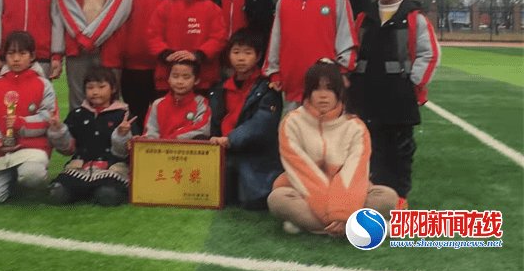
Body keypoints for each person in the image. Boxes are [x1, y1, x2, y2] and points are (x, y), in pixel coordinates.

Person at [348, 0, 441, 209]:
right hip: (365, 94)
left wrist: (413, 84)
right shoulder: (364, 17)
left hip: (399, 97)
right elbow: (352, 50)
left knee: (399, 151)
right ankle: (370, 195)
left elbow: (429, 53)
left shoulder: (414, 18)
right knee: (368, 147)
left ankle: (399, 197)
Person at [267, 60, 397, 236]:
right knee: (277, 199)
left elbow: (355, 171)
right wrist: (335, 214)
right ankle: (356, 226)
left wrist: (343, 211)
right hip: (305, 191)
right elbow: (303, 172)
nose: (322, 95)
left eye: (329, 88)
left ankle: (312, 225)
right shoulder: (291, 122)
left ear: (340, 92)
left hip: (348, 193)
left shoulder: (355, 126)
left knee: (387, 197)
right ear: (308, 91)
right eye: (316, 88)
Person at [263, 0, 358, 111]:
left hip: (326, 86)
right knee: (295, 135)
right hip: (292, 84)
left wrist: (343, 71)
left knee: (328, 136)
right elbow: (276, 38)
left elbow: (347, 36)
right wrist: (274, 72)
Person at [0, 31, 56, 203]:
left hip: (31, 149)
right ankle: (9, 179)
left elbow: (48, 117)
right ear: (5, 56)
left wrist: (22, 124)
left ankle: (25, 180)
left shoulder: (43, 84)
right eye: (11, 54)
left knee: (31, 176)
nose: (16, 59)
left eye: (22, 53)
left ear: (32, 56)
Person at [209, 29, 283, 210]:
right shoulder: (219, 88)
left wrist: (230, 139)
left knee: (252, 201)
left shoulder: (268, 88)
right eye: (236, 52)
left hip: (253, 153)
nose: (241, 58)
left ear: (258, 57)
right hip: (221, 149)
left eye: (247, 53)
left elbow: (262, 124)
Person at [48, 65, 135, 206]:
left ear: (113, 88)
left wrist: (122, 134)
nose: (95, 92)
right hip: (80, 166)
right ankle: (84, 189)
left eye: (101, 87)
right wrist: (58, 130)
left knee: (107, 195)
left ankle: (91, 191)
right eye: (90, 88)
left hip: (110, 167)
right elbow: (67, 149)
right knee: (58, 194)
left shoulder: (123, 115)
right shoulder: (77, 114)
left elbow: (123, 153)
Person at [148, 0, 227, 93]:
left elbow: (219, 37)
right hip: (169, 77)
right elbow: (153, 35)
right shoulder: (165, 6)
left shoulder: (212, 8)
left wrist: (198, 55)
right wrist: (166, 54)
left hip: (203, 77)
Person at [119, 0, 175, 128]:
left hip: (161, 65)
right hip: (131, 66)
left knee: (161, 119)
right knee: (135, 118)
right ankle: (132, 158)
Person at [138, 60, 212, 140]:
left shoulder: (201, 102)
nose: (180, 82)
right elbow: (150, 132)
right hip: (160, 150)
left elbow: (202, 129)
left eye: (186, 77)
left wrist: (171, 139)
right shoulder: (157, 104)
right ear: (168, 79)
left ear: (196, 80)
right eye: (175, 76)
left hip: (188, 150)